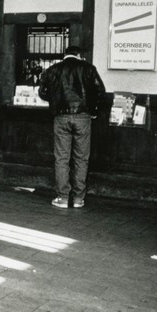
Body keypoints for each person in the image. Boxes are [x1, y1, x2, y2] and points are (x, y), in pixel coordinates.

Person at [38, 45, 106, 209]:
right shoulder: (88, 68)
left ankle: (62, 198)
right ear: (79, 55)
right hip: (83, 117)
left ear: (65, 55)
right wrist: (93, 110)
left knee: (61, 158)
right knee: (81, 159)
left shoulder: (53, 69)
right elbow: (100, 91)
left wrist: (55, 100)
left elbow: (42, 92)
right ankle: (78, 199)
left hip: (61, 117)